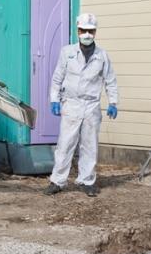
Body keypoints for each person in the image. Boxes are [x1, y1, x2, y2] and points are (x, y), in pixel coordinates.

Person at [44, 13, 118, 197]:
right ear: (77, 30)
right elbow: (57, 78)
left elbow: (110, 81)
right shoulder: (67, 52)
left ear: (95, 32)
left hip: (91, 106)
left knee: (89, 145)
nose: (87, 34)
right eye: (83, 30)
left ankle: (87, 181)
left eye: (91, 31)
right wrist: (54, 99)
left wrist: (113, 102)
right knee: (65, 144)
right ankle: (57, 181)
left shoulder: (102, 55)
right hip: (71, 104)